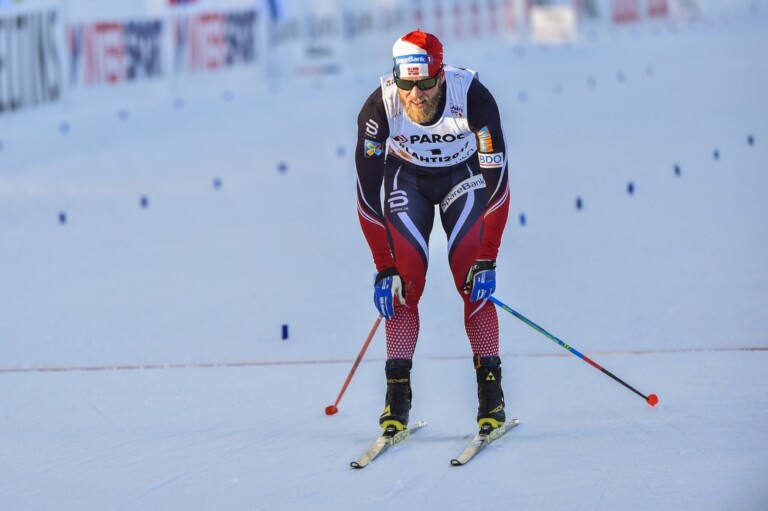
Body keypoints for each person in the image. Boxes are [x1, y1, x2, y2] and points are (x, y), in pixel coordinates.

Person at [355, 30, 510, 432]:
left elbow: (498, 186)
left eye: (425, 83)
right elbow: (366, 195)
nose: (416, 94)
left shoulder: (474, 99)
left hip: (465, 177)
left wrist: (488, 257)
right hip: (408, 180)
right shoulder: (379, 107)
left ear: (441, 75)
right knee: (403, 283)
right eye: (406, 84)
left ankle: (491, 393)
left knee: (470, 278)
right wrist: (384, 266)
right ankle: (397, 397)